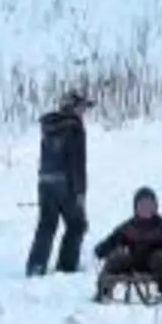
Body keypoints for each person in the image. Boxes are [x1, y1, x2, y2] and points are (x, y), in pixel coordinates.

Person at [26, 90, 93, 276]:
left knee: (46, 224)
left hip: (45, 182)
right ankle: (67, 266)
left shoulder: (49, 126)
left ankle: (36, 266)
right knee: (77, 224)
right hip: (66, 182)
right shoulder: (74, 128)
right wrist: (80, 191)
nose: (83, 112)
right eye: (82, 107)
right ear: (74, 107)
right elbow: (77, 162)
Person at [92, 186, 162, 302]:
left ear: (155, 208)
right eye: (142, 206)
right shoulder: (129, 227)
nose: (145, 209)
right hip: (133, 261)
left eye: (149, 206)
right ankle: (104, 289)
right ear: (136, 208)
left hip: (154, 264)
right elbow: (113, 240)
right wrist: (102, 249)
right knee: (117, 255)